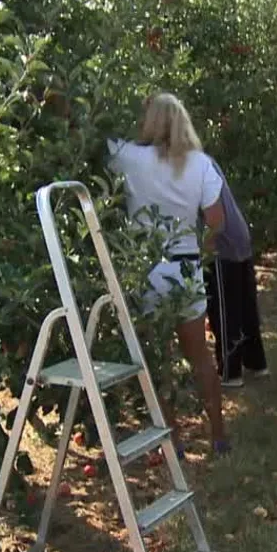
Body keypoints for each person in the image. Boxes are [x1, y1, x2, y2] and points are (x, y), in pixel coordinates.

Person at [107, 93, 229, 456]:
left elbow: (90, 136)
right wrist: (198, 255)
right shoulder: (201, 164)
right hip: (185, 266)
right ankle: (219, 434)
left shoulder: (129, 158)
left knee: (157, 359)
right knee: (200, 357)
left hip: (146, 271)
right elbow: (216, 222)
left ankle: (171, 439)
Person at [204, 158, 269, 389]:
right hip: (239, 236)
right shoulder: (206, 161)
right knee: (245, 305)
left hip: (224, 244)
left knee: (224, 309)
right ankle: (256, 363)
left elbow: (213, 218)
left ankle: (230, 372)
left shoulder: (192, 167)